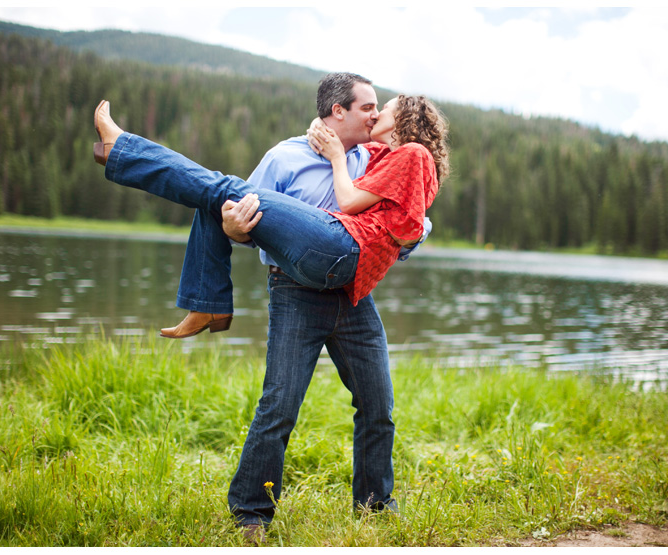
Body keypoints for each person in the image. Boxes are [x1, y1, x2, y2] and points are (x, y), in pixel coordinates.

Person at [92, 75, 450, 541]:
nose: (375, 115)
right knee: (278, 405)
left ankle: (376, 505)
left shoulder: (373, 157)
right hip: (296, 289)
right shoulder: (284, 157)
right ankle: (251, 512)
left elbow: (407, 219)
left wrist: (418, 228)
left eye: (382, 108)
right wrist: (235, 227)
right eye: (368, 107)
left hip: (353, 291)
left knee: (379, 405)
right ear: (337, 111)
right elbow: (239, 226)